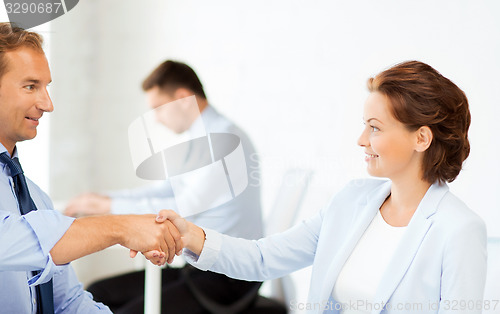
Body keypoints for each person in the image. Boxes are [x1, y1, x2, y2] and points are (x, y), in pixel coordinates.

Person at [158, 61, 487, 314]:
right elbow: (263, 257)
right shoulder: (352, 201)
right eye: (364, 126)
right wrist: (190, 236)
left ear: (421, 138)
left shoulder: (459, 230)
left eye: (374, 128)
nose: (361, 140)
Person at [0, 23, 182, 313]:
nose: (48, 104)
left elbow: (68, 302)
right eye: (31, 86)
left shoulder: (35, 199)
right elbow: (10, 241)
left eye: (47, 87)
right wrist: (121, 227)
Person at [64, 60, 265, 313]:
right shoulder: (201, 138)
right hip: (198, 269)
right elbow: (167, 191)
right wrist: (106, 199)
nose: (157, 120)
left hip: (228, 276)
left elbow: (180, 209)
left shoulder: (223, 142)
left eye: (158, 108)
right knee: (98, 293)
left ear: (182, 99)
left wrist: (109, 206)